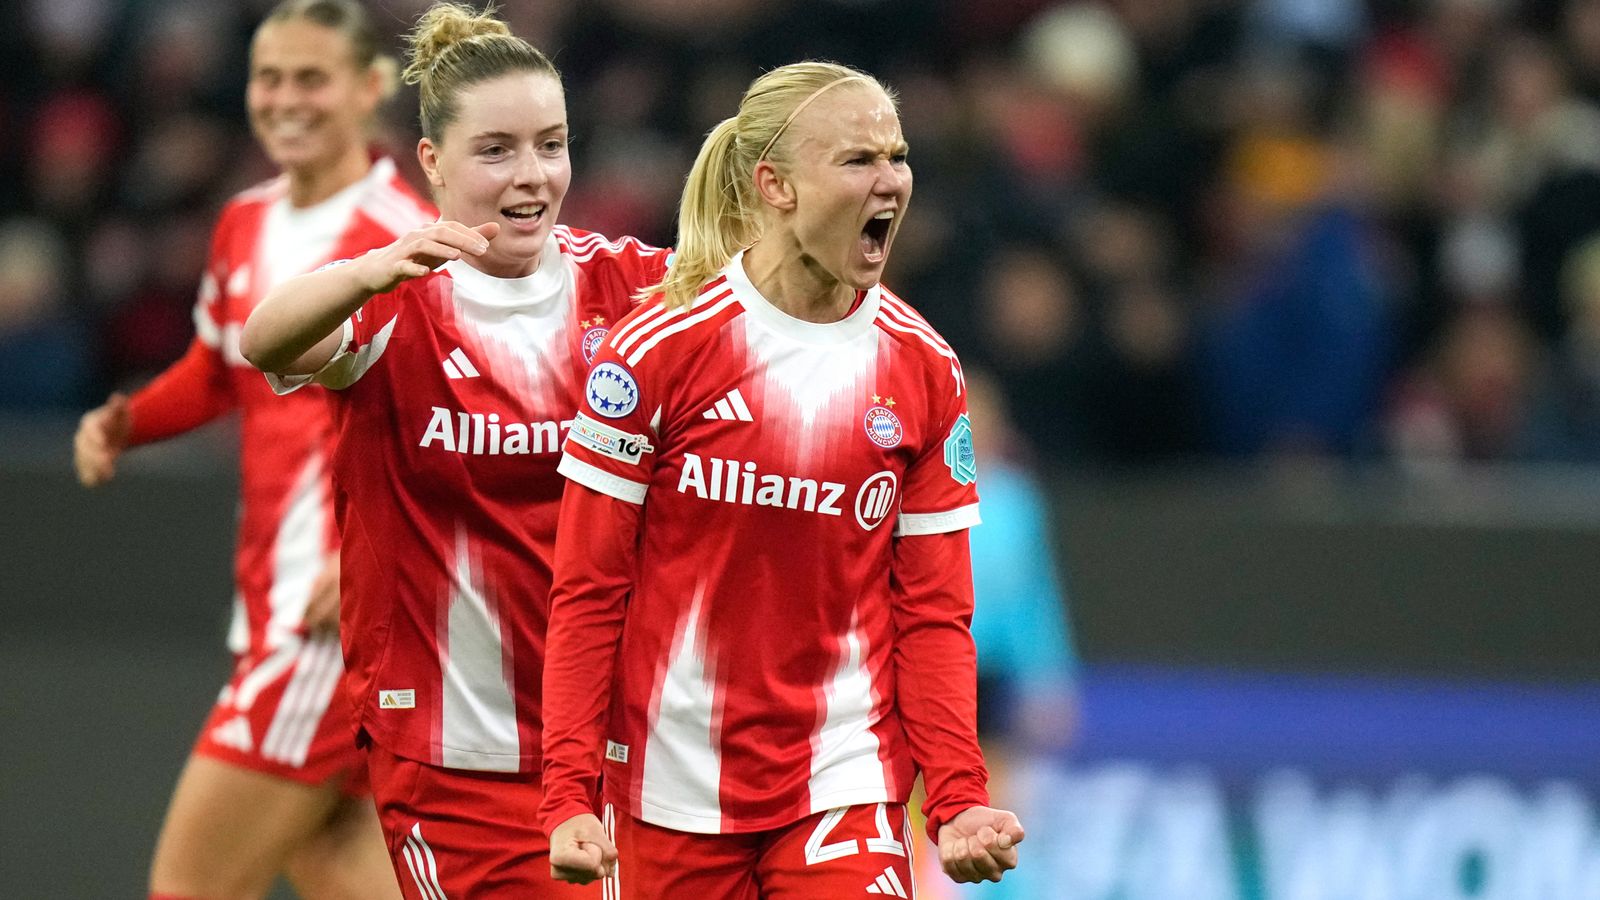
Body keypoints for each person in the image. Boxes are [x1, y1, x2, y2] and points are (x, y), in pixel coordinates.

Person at [539, 61, 1025, 899]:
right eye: (857, 160)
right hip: (664, 785)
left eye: (897, 156)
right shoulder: (656, 352)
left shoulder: (925, 370)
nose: (890, 182)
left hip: (843, 780)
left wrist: (955, 797)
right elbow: (588, 590)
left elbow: (934, 615)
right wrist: (567, 793)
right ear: (775, 186)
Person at [239, 3, 670, 896]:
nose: (533, 175)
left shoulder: (628, 283)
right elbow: (265, 340)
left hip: (616, 747)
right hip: (456, 752)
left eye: (551, 144)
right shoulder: (395, 297)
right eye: (497, 150)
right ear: (431, 162)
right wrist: (366, 269)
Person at [71, 2, 432, 897]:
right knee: (335, 865)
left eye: (312, 77)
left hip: (326, 627)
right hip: (277, 607)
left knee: (188, 886)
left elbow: (452, 418)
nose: (285, 99)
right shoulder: (244, 221)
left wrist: (372, 559)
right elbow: (215, 364)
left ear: (369, 90)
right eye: (269, 77)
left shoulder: (400, 235)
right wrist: (132, 420)